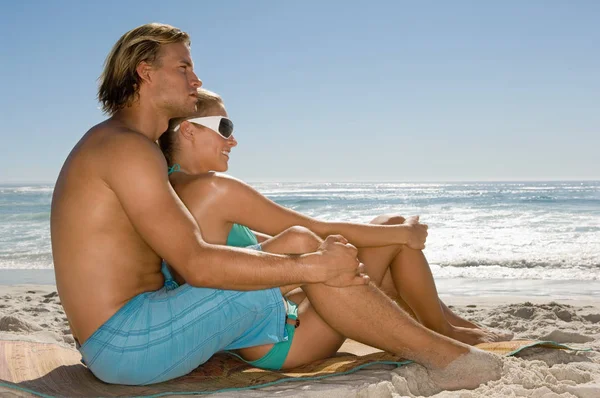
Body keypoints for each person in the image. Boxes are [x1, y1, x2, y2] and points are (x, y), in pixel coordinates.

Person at [50, 22, 502, 388]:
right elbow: (198, 264)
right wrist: (312, 268)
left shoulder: (129, 147)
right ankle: (450, 357)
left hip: (123, 338)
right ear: (145, 72)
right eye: (184, 67)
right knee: (279, 278)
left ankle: (440, 342)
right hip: (127, 342)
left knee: (297, 264)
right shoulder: (127, 149)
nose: (197, 79)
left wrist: (308, 261)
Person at [158, 89, 512, 370]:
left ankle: (448, 323)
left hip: (259, 333)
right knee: (389, 230)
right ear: (188, 129)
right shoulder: (214, 189)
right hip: (285, 342)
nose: (232, 140)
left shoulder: (169, 191)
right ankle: (444, 330)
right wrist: (405, 234)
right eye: (225, 127)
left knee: (373, 246)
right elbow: (314, 226)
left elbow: (252, 254)